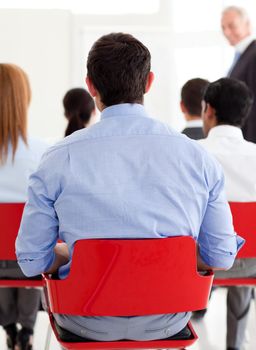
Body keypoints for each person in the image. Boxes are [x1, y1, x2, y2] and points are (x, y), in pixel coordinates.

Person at [16, 33, 243, 342]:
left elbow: (31, 261)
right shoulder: (198, 157)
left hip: (83, 319)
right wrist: (168, 254)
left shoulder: (56, 158)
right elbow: (221, 257)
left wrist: (75, 254)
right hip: (169, 317)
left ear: (91, 86)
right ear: (149, 83)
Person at [199, 77, 255, 350]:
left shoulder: (194, 154)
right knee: (244, 244)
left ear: (208, 110)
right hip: (253, 263)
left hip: (202, 264)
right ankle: (235, 345)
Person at [0, 64, 48, 350]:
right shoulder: (43, 153)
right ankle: (27, 330)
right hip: (30, 265)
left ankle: (8, 325)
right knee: (33, 245)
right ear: (25, 99)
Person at [221, 6, 256, 143]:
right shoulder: (242, 55)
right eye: (223, 27)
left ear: (247, 24)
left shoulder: (253, 55)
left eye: (231, 26)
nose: (227, 32)